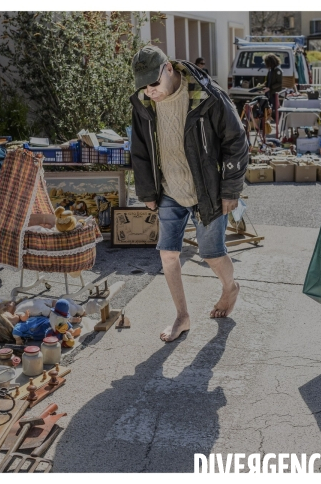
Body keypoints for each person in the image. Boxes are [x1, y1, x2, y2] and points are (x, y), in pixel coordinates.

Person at [130, 45, 248, 342]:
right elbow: (140, 150)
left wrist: (231, 188)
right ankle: (182, 317)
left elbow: (236, 140)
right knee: (168, 254)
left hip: (206, 190)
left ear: (168, 69)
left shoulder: (207, 96)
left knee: (211, 254)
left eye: (154, 83)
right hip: (169, 190)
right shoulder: (143, 103)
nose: (150, 91)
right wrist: (146, 190)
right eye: (143, 85)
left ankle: (229, 288)